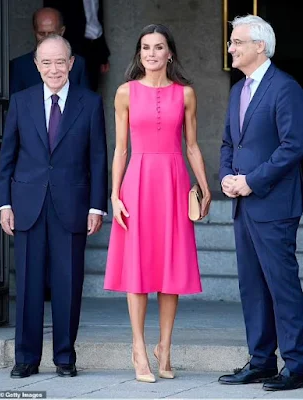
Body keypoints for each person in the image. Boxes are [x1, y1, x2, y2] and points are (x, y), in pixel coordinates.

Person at [104, 24, 211, 383]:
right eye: (145, 47)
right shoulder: (125, 93)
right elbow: (120, 149)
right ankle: (138, 347)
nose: (151, 53)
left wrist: (205, 185)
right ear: (140, 54)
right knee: (138, 270)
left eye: (158, 47)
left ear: (170, 54)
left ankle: (164, 348)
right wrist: (114, 194)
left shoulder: (186, 94)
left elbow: (192, 145)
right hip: (137, 183)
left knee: (170, 271)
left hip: (174, 181)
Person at [0, 34, 108, 378]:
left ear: (71, 63)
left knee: (68, 283)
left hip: (72, 204)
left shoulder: (89, 103)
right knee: (28, 285)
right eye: (46, 62)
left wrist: (96, 207)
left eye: (60, 61)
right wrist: (4, 204)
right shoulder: (21, 101)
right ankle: (26, 358)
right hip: (27, 203)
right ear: (36, 65)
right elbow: (7, 157)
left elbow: (98, 158)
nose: (54, 69)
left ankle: (64, 357)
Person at [219, 15, 303, 391]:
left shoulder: (286, 88)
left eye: (237, 41)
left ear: (260, 46)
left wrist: (252, 181)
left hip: (273, 204)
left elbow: (293, 147)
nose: (231, 47)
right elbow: (227, 143)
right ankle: (261, 361)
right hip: (243, 204)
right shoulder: (238, 90)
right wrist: (225, 176)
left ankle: (298, 364)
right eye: (231, 41)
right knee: (252, 286)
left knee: (281, 286)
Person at [9, 7, 90, 95]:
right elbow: (15, 105)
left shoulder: (78, 64)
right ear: (35, 32)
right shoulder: (20, 66)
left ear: (62, 31)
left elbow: (86, 103)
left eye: (51, 34)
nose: (46, 38)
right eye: (41, 33)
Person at [44, 0, 110, 91]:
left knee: (90, 93)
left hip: (94, 47)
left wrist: (103, 54)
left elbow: (96, 21)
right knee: (69, 92)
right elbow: (50, 17)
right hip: (70, 49)